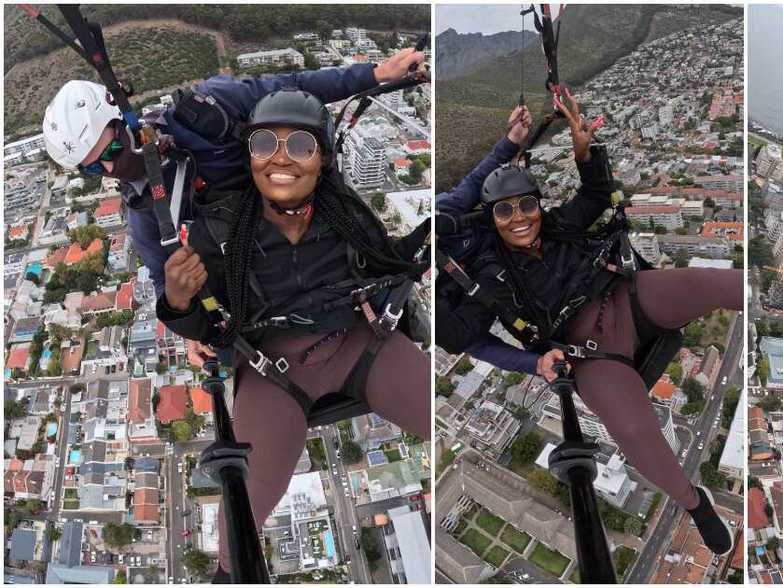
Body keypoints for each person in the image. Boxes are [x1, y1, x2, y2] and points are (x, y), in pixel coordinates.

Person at [435, 89, 742, 554]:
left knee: (719, 284)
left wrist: (584, 151)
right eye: (504, 210)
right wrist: (530, 362)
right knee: (635, 431)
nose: (519, 218)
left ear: (539, 205)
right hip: (590, 355)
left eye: (526, 205)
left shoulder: (559, 225)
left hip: (623, 297)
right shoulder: (492, 276)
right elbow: (461, 338)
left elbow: (597, 194)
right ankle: (694, 503)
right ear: (492, 219)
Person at [154, 89, 430, 579]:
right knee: (242, 509)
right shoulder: (221, 231)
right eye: (265, 144)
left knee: (436, 416)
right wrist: (178, 301)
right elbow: (212, 325)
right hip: (272, 372)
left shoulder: (344, 212)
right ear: (249, 155)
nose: (280, 159)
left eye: (300, 145)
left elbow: (384, 263)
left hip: (359, 346)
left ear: (322, 159)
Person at [42, 49, 425, 364]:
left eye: (109, 150)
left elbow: (293, 89)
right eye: (94, 167)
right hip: (252, 254)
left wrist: (376, 74)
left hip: (301, 195)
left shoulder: (209, 110)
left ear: (122, 118)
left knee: (358, 235)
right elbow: (166, 281)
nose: (109, 166)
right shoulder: (147, 209)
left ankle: (395, 300)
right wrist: (192, 322)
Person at [435, 104, 541, 374]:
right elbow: (478, 344)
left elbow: (475, 181)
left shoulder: (445, 214)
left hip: (517, 237)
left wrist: (512, 140)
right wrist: (536, 364)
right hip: (511, 280)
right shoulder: (439, 305)